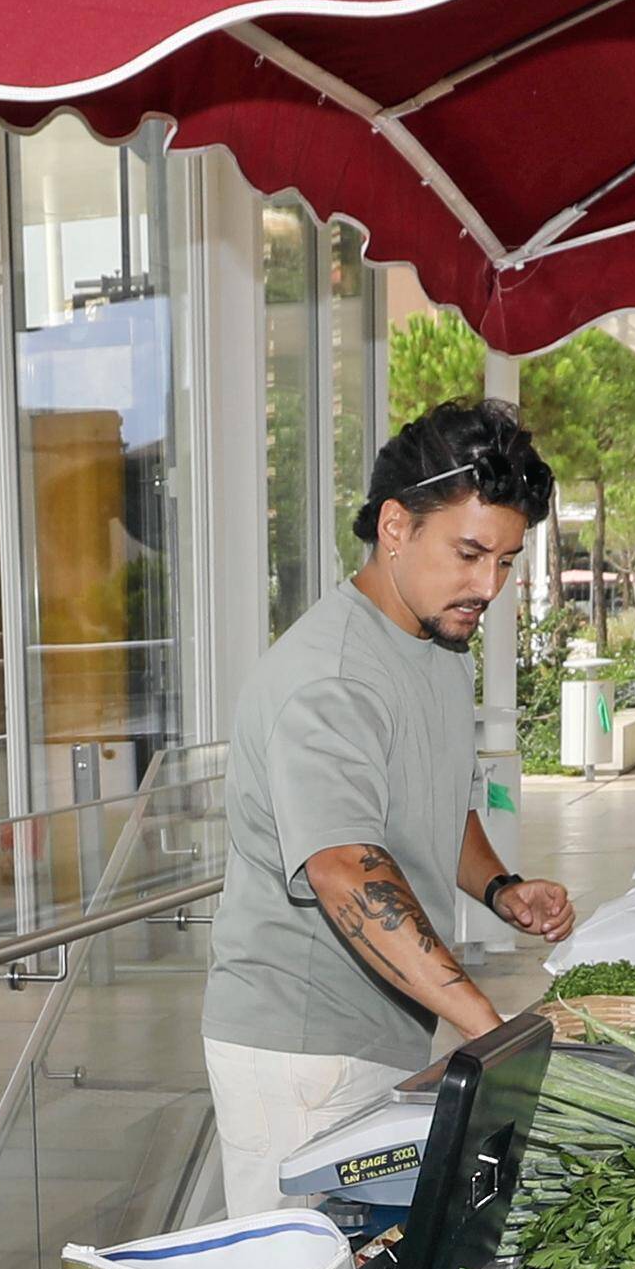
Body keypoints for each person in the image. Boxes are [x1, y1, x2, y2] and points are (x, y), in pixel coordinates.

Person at [200, 399, 577, 1216]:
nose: (488, 586)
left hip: (386, 1028)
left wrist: (501, 887)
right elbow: (345, 866)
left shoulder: (439, 643)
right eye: (469, 553)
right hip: (300, 1053)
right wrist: (486, 1023)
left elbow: (432, 804)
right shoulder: (333, 677)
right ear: (396, 527)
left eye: (506, 560)